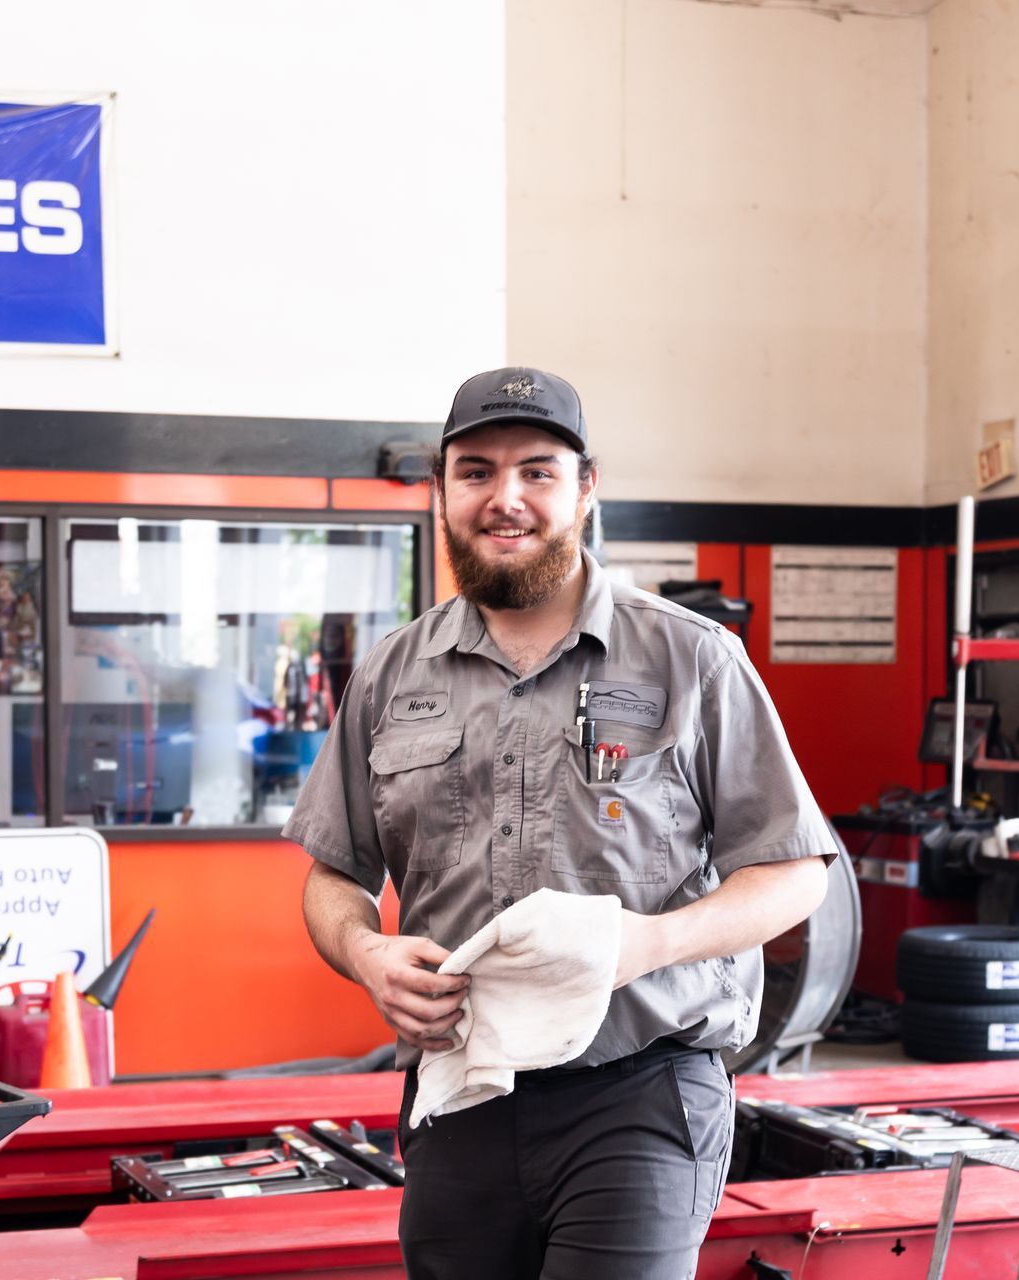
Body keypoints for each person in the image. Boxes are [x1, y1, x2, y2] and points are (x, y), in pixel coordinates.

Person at [283, 366, 839, 1279]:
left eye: (538, 470)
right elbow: (334, 873)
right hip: (458, 1092)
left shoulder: (691, 658)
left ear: (585, 489)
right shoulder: (391, 675)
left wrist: (650, 944)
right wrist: (366, 955)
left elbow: (795, 870)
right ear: (442, 492)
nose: (506, 499)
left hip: (641, 1097)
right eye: (477, 472)